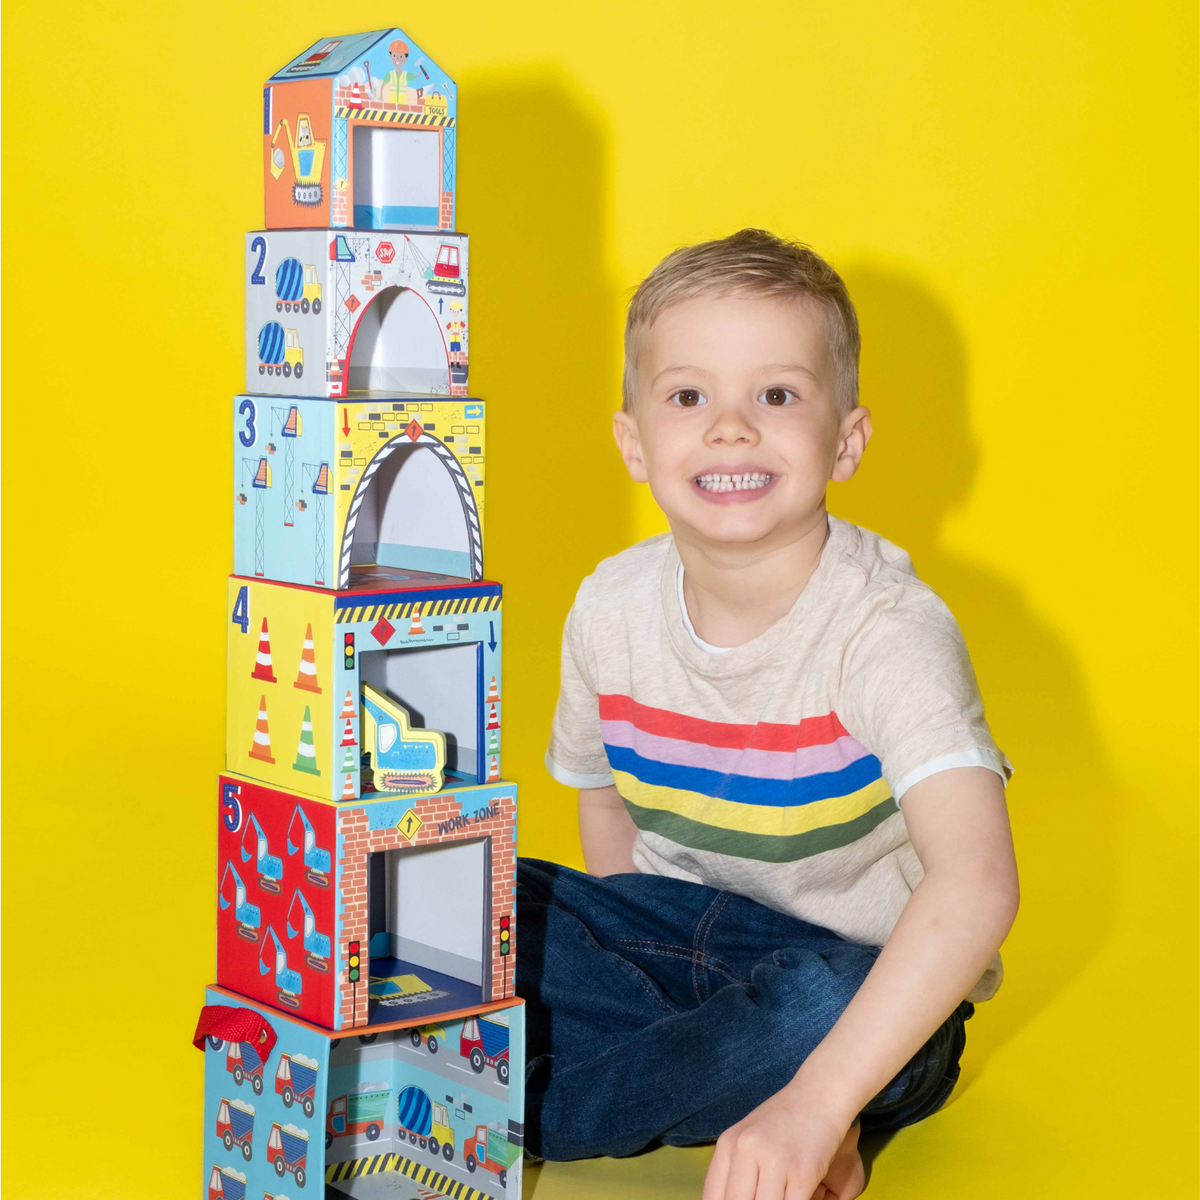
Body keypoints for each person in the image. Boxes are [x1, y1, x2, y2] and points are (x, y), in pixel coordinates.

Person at [517, 228, 1019, 1200]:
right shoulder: (607, 610)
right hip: (683, 944)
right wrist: (620, 971)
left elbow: (978, 882)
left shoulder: (887, 633)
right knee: (455, 899)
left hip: (866, 989)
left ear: (848, 438)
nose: (732, 428)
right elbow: (603, 808)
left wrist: (820, 1098)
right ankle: (699, 1072)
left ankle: (509, 1108)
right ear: (633, 440)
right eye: (689, 396)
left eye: (777, 396)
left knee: (813, 1009)